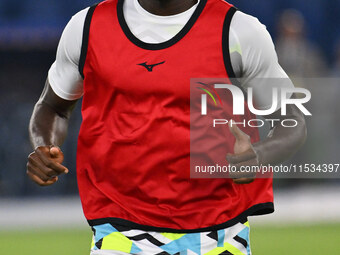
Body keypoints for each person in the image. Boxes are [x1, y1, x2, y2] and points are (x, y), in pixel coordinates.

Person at [27, 0, 306, 254]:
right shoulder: (87, 27)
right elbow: (52, 106)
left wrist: (258, 156)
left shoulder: (239, 30)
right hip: (119, 227)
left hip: (219, 230)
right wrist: (44, 146)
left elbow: (292, 121)